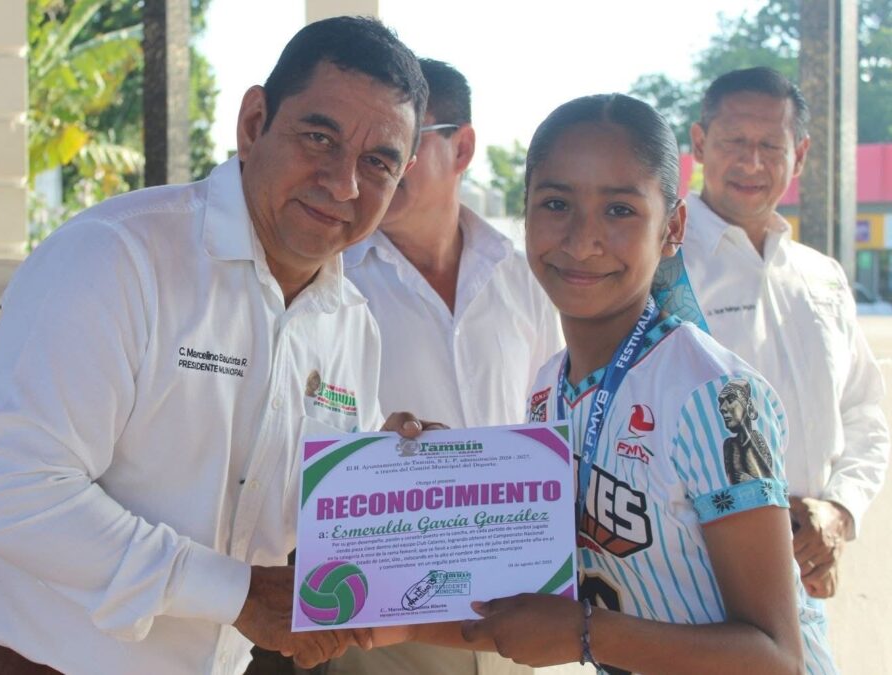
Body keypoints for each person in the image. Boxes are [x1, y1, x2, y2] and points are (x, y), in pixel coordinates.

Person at [0, 16, 429, 675]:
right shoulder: (117, 256)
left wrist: (396, 482)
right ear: (253, 122)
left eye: (377, 163)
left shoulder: (351, 324)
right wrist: (234, 592)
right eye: (318, 136)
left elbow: (297, 523)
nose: (343, 182)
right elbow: (11, 491)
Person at [380, 94, 837, 673]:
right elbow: (526, 612)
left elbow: (777, 659)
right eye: (555, 203)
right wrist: (445, 482)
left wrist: (588, 635)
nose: (581, 239)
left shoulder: (715, 397)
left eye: (619, 210)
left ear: (672, 226)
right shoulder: (550, 389)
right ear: (525, 214)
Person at [330, 58, 561, 675]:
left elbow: (554, 418)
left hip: (523, 612)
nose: (383, 162)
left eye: (406, 143)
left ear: (462, 148)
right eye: (375, 147)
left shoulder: (526, 276)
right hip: (388, 621)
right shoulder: (330, 278)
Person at [671, 66, 890, 598]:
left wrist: (838, 510)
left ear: (802, 154)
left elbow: (864, 413)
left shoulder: (823, 277)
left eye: (772, 145)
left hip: (811, 578)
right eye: (734, 142)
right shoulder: (660, 267)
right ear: (699, 144)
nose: (752, 163)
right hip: (696, 588)